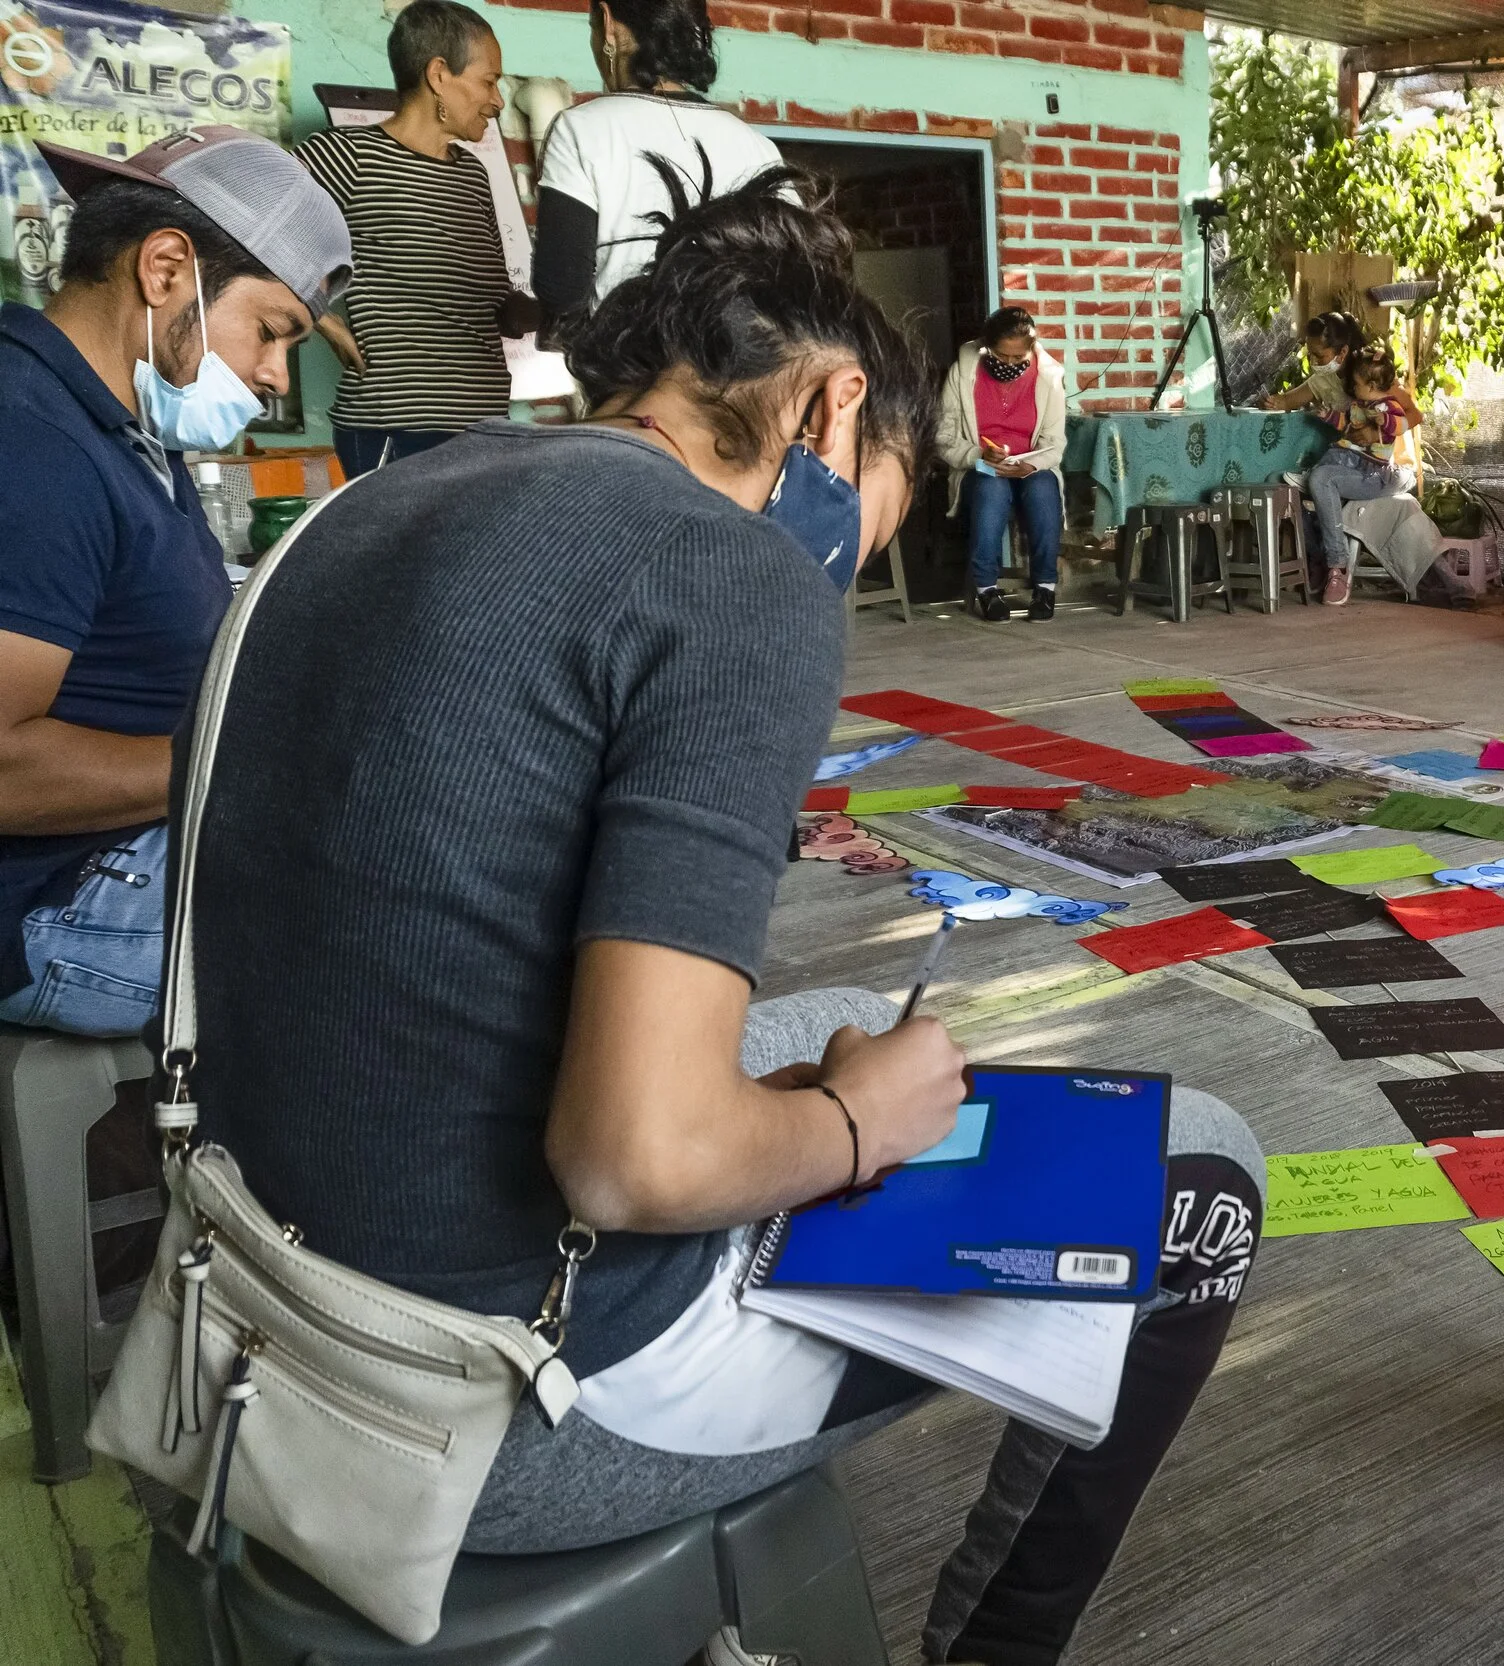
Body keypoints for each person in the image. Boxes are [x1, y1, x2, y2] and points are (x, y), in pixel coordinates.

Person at [178, 169, 1261, 1666]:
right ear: (833, 417)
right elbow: (635, 1156)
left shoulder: (364, 509)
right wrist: (856, 1131)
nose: (851, 569)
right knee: (1205, 1163)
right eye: (875, 523)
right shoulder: (735, 576)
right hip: (487, 1400)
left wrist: (829, 1090)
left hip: (241, 1301)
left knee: (827, 1030)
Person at [0, 128, 348, 1037]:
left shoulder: (129, 432)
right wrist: (245, 763)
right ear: (164, 269)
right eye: (272, 331)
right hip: (49, 899)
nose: (275, 378)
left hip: (129, 842)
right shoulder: (29, 438)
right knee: (421, 939)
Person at [297, 0, 532, 478]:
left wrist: (537, 307)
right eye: (489, 81)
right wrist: (322, 319)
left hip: (485, 427)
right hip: (395, 429)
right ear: (439, 74)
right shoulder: (348, 157)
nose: (498, 101)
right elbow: (245, 233)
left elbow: (491, 308)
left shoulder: (473, 174)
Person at [530, 0, 778, 328]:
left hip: (635, 367)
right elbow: (785, 283)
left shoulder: (581, 130)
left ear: (607, 23)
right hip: (740, 365)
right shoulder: (760, 148)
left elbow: (562, 290)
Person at [937, 305, 1068, 624]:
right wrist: (978, 455)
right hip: (982, 464)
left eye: (1018, 359)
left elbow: (1054, 444)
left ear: (1031, 351)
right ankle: (987, 590)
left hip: (1030, 466)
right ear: (986, 347)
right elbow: (943, 437)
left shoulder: (1049, 377)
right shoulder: (963, 372)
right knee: (990, 488)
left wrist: (1032, 465)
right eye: (1001, 356)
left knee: (1042, 490)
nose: (1009, 364)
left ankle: (1045, 588)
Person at [1303, 341, 1420, 606]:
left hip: (1372, 471)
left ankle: (1338, 567)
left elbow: (1402, 424)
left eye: (1356, 384)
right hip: (1349, 459)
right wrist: (1328, 415)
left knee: (1321, 478)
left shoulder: (1388, 406)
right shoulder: (1358, 404)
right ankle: (1316, 476)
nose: (1352, 388)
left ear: (1371, 386)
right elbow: (1346, 425)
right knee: (1329, 462)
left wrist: (1383, 423)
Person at [1258, 309, 1362, 415]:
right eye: (1310, 354)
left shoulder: (1366, 376)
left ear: (1343, 352)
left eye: (1319, 356)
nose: (1313, 361)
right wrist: (1270, 403)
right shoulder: (1323, 378)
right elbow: (1286, 401)